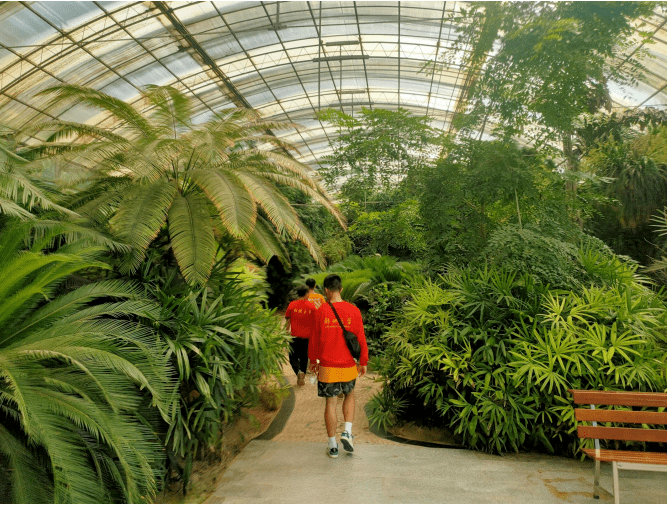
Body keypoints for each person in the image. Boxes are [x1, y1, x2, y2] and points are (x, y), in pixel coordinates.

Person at [309, 274, 368, 458]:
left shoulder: (321, 312)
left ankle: (332, 446)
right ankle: (348, 432)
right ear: (341, 289)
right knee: (349, 396)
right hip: (348, 365)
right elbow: (361, 338)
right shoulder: (354, 311)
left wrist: (313, 361)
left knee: (331, 403)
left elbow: (314, 339)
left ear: (326, 290)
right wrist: (363, 361)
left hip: (327, 366)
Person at [285, 285, 316, 386]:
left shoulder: (292, 305)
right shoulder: (312, 306)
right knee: (304, 357)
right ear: (306, 293)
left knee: (292, 357)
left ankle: (298, 372)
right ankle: (302, 372)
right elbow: (315, 323)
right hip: (307, 337)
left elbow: (288, 321)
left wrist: (285, 333)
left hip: (294, 337)